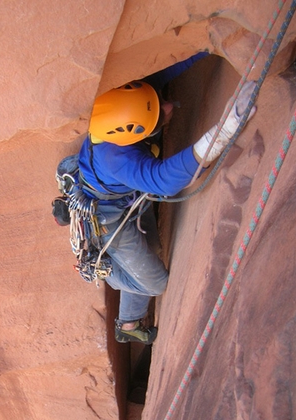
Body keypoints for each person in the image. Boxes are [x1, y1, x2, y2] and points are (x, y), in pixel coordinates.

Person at [78, 54, 256, 344]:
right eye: (161, 113)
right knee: (154, 281)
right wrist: (222, 132)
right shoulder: (118, 159)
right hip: (108, 219)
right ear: (136, 131)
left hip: (124, 196)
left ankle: (128, 324)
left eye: (160, 103)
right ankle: (106, 269)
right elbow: (164, 180)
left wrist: (206, 48)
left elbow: (163, 71)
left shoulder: (126, 105)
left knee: (151, 248)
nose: (170, 106)